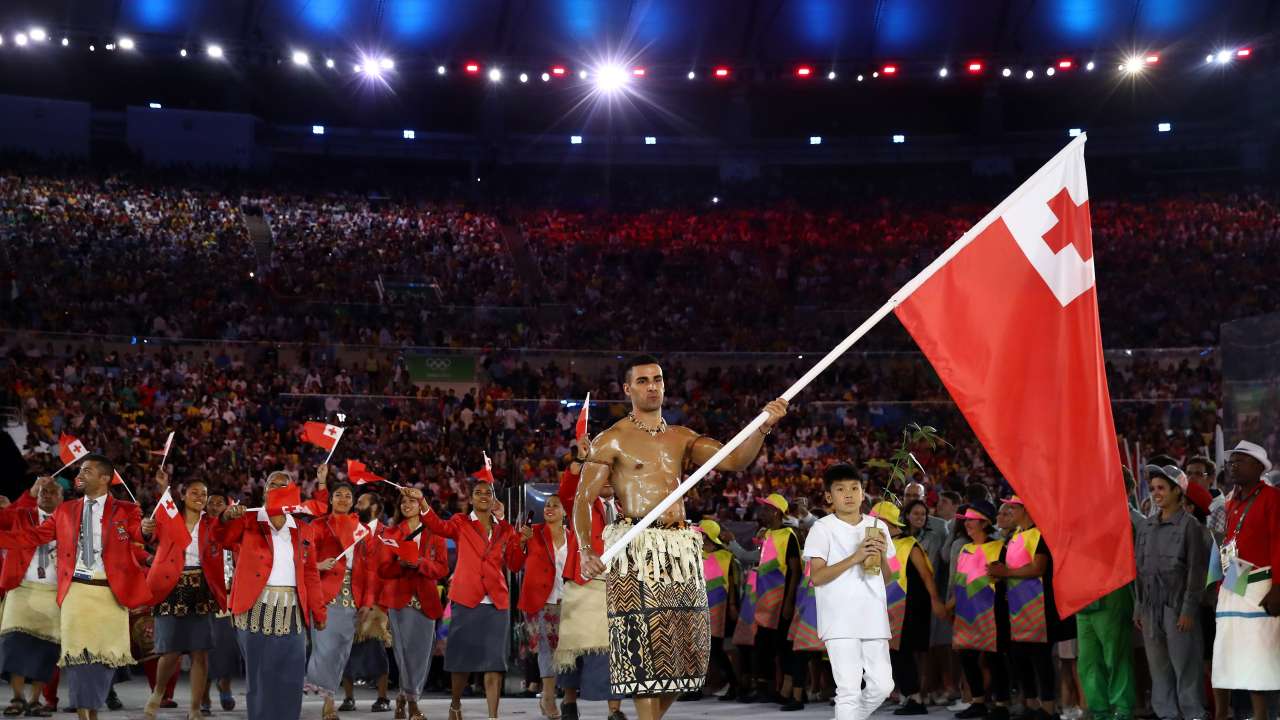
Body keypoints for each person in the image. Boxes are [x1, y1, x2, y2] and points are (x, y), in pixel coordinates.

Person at [575, 355, 787, 720]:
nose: (652, 386)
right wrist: (584, 549)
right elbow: (582, 498)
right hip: (636, 549)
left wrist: (763, 427)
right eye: (642, 381)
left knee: (687, 656)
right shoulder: (612, 439)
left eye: (657, 379)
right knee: (643, 650)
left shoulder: (681, 437)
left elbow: (735, 460)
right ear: (628, 389)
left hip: (678, 551)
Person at [0, 459, 152, 720]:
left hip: (111, 595)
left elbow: (136, 533)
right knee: (77, 660)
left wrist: (146, 530)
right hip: (76, 593)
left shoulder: (127, 510)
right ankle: (85, 715)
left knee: (106, 661)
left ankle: (95, 703)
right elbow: (32, 536)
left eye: (87, 471)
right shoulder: (65, 511)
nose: (79, 475)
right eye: (80, 470)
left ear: (105, 478)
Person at [215, 471, 327, 720]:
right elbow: (221, 538)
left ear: (292, 492)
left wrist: (319, 611)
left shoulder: (303, 529)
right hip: (256, 608)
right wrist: (226, 517)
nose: (277, 489)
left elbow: (311, 575)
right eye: (272, 485)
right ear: (264, 491)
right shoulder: (248, 520)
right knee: (261, 677)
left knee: (291, 677)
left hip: (293, 611)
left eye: (283, 485)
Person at [412, 480, 526, 720]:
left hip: (497, 602)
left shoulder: (505, 529)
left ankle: (493, 716)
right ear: (471, 499)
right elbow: (435, 524)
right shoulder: (460, 522)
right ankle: (455, 704)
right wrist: (422, 502)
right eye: (478, 492)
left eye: (488, 492)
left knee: (495, 663)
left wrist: (522, 543)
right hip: (466, 599)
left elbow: (515, 564)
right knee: (461, 661)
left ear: (495, 499)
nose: (483, 495)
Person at [802, 464, 896, 720]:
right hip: (839, 620)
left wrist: (880, 555)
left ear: (863, 493)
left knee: (883, 686)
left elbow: (887, 577)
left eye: (855, 488)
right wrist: (856, 556)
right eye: (841, 489)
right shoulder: (822, 529)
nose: (849, 494)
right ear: (829, 497)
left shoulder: (878, 527)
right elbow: (817, 577)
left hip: (873, 616)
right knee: (849, 691)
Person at [140, 469, 227, 720]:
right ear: (184, 495)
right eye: (194, 492)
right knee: (171, 651)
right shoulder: (168, 519)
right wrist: (145, 528)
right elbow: (148, 531)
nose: (200, 497)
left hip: (201, 588)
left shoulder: (212, 524)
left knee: (200, 652)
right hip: (171, 587)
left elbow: (229, 536)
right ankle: (158, 693)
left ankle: (195, 708)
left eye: (204, 494)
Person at [555, 440, 626, 720]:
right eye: (602, 474)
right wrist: (582, 462)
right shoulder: (579, 503)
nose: (606, 480)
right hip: (582, 583)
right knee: (574, 648)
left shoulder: (626, 510)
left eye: (611, 475)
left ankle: (614, 711)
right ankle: (569, 702)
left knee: (615, 649)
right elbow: (567, 490)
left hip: (617, 587)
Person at [1134, 465, 1210, 720]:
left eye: (1162, 488)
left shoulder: (1191, 526)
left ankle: (1193, 714)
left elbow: (1196, 572)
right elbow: (1139, 570)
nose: (1156, 493)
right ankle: (1167, 715)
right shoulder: (1146, 527)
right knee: (1159, 669)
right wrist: (1139, 607)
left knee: (1186, 667)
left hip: (1178, 608)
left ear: (1178, 491)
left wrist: (1188, 609)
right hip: (1150, 609)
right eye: (1153, 488)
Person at [1211, 441, 1280, 720]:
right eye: (1231, 461)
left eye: (1240, 460)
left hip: (1261, 580)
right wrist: (1219, 585)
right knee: (1225, 647)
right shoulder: (1231, 501)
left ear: (1258, 466)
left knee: (1258, 651)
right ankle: (1221, 714)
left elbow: (1278, 542)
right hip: (1233, 580)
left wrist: (1278, 586)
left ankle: (1263, 715)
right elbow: (1226, 545)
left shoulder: (1272, 498)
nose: (1233, 465)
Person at [987, 497, 1069, 720]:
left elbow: (1038, 567)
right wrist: (997, 574)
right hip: (1016, 608)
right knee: (1020, 658)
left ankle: (1049, 708)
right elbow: (1007, 569)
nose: (1009, 510)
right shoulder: (1013, 537)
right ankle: (1032, 705)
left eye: (1013, 507)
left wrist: (1007, 573)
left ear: (1027, 509)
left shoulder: (1040, 534)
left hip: (1039, 607)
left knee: (1041, 659)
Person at [304, 478, 374, 720]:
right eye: (338, 495)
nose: (343, 499)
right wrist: (318, 564)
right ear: (330, 499)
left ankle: (326, 692)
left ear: (353, 502)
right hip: (325, 593)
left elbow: (368, 568)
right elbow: (302, 558)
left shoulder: (362, 530)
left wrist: (367, 602)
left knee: (341, 652)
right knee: (324, 648)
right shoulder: (317, 525)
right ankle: (328, 702)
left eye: (347, 495)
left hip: (352, 597)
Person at [378, 489, 449, 720]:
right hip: (400, 601)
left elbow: (442, 568)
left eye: (412, 501)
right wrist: (401, 564)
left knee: (421, 654)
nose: (407, 504)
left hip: (426, 601)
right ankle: (413, 703)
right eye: (403, 501)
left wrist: (419, 563)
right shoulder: (391, 533)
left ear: (422, 505)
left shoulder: (435, 533)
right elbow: (383, 569)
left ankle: (402, 696)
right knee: (403, 653)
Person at [874, 500, 946, 716]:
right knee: (893, 652)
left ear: (885, 522)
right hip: (888, 606)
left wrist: (935, 600)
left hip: (911, 606)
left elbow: (926, 575)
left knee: (902, 651)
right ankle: (908, 695)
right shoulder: (879, 545)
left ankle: (915, 698)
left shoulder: (909, 543)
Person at [1076, 468, 1137, 720]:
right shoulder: (1082, 516)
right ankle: (1099, 711)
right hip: (1084, 597)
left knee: (1116, 658)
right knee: (1088, 662)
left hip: (1112, 594)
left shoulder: (1129, 519)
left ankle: (1122, 711)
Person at [0, 476, 64, 718]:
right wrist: (28, 493)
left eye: (51, 491)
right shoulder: (21, 515)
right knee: (13, 644)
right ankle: (17, 698)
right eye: (42, 492)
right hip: (21, 587)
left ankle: (35, 701)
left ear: (61, 498)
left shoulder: (69, 522)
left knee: (46, 649)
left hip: (53, 592)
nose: (46, 495)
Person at [946, 500, 1009, 720]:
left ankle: (1001, 704)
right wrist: (950, 606)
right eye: (966, 522)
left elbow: (1005, 581)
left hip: (992, 612)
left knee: (994, 659)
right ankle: (978, 701)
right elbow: (960, 583)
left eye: (971, 521)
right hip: (966, 613)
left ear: (984, 523)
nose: (967, 525)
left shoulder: (1000, 548)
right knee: (968, 658)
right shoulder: (965, 548)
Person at [518, 495, 572, 720]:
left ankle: (562, 694)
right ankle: (548, 696)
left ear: (565, 511)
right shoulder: (534, 532)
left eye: (555, 505)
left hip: (567, 600)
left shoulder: (573, 537)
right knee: (546, 648)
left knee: (564, 651)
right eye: (547, 505)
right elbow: (513, 563)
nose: (549, 508)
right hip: (540, 599)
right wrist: (520, 542)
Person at [747, 493, 802, 705]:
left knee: (782, 646)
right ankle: (764, 687)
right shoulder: (766, 534)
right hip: (764, 601)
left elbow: (795, 571)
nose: (762, 512)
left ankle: (788, 689)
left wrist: (789, 601)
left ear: (776, 512)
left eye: (766, 509)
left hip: (781, 601)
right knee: (763, 645)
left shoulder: (789, 535)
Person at [342, 492, 392, 713]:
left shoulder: (386, 534)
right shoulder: (350, 528)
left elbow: (380, 570)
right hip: (349, 595)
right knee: (346, 649)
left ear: (375, 507)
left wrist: (370, 601)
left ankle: (382, 697)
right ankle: (348, 698)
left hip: (377, 600)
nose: (356, 505)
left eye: (361, 502)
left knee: (376, 649)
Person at [201, 493, 240, 713]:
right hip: (206, 597)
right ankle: (204, 696)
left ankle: (225, 685)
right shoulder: (200, 528)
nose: (215, 506)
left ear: (228, 507)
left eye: (220, 503)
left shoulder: (236, 529)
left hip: (230, 598)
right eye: (212, 503)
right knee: (203, 649)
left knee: (226, 649)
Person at [695, 520, 742, 702]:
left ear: (706, 535)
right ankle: (697, 688)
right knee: (699, 649)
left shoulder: (726, 556)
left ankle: (734, 684)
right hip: (698, 607)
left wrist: (732, 606)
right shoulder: (696, 554)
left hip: (719, 609)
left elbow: (732, 583)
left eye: (700, 532)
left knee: (715, 649)